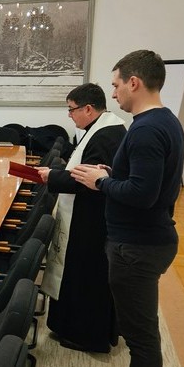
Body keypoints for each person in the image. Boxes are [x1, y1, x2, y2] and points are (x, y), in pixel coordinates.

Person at [72, 50, 184, 367]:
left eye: (117, 84)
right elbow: (144, 181)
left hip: (137, 245)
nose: (114, 92)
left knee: (141, 337)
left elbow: (142, 194)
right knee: (140, 332)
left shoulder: (146, 130)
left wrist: (101, 183)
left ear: (134, 82)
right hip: (145, 240)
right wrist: (111, 172)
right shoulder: (163, 121)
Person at [37, 83, 126, 353]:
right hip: (88, 214)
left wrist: (52, 176)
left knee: (86, 278)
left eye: (71, 109)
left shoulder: (105, 135)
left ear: (88, 109)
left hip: (91, 219)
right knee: (77, 275)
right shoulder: (103, 128)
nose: (69, 115)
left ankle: (86, 336)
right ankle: (69, 327)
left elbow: (86, 180)